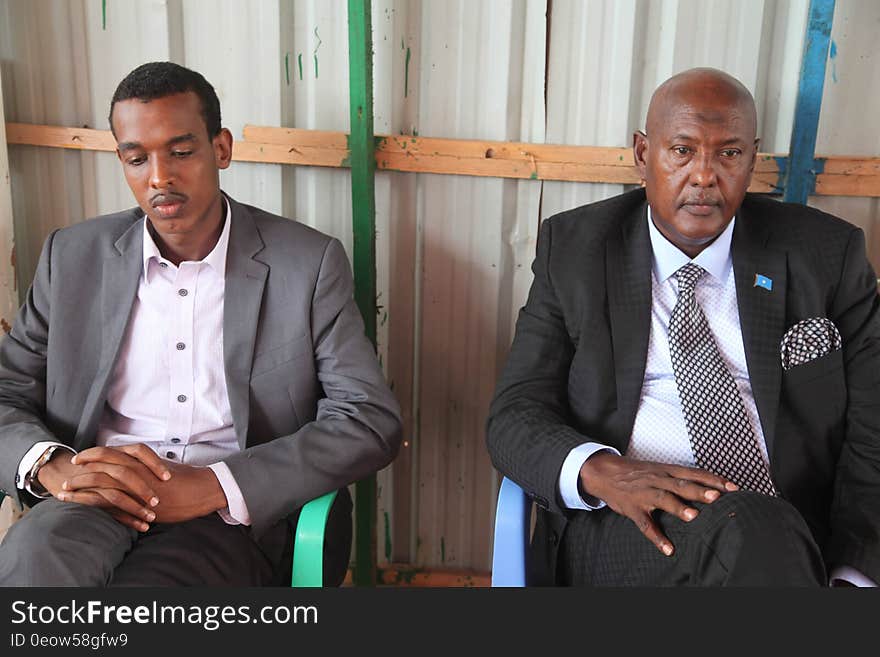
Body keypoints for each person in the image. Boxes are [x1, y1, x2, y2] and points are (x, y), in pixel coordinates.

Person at [0, 62, 402, 586]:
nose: (159, 177)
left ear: (222, 149)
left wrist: (215, 485)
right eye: (137, 158)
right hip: (97, 496)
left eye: (181, 151)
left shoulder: (306, 263)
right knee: (31, 565)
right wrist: (54, 467)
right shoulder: (72, 257)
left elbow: (368, 418)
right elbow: (7, 390)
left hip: (226, 516)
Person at [487, 67, 880, 586]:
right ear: (643, 155)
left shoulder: (826, 255)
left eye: (729, 153)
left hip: (794, 538)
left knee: (760, 535)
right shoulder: (578, 251)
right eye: (682, 150)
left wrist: (854, 575)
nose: (704, 175)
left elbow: (872, 429)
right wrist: (601, 470)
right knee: (754, 533)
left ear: (752, 159)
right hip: (629, 530)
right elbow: (515, 413)